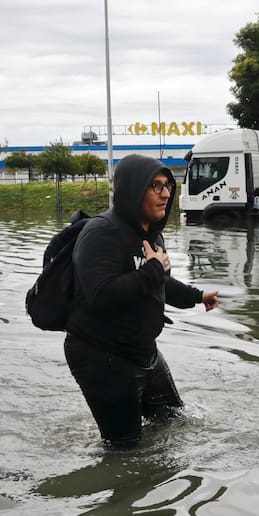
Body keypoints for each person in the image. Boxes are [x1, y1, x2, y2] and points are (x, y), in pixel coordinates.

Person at [64, 154, 219, 446]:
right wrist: (151, 270)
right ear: (132, 190)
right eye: (155, 186)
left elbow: (159, 282)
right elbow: (99, 293)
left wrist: (197, 297)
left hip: (143, 352)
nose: (165, 194)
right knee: (125, 449)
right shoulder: (101, 233)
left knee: (174, 422)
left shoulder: (152, 234)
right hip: (102, 357)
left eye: (167, 186)